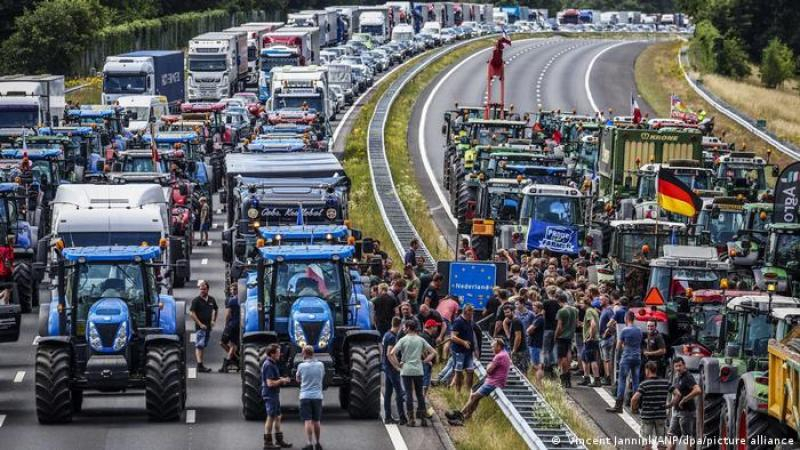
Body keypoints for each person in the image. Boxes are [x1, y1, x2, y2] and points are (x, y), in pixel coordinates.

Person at [445, 338, 511, 425]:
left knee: (474, 396)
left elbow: (489, 370)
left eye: (493, 346)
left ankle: (459, 415)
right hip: (491, 379)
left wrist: (489, 365)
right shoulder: (504, 353)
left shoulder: (499, 356)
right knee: (474, 392)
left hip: (494, 382)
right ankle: (467, 416)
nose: (492, 349)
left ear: (499, 346)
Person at [390, 319, 436, 427]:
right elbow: (433, 352)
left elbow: (392, 353)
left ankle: (411, 420)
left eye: (405, 327)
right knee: (420, 394)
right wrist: (425, 360)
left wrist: (398, 365)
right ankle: (423, 418)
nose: (404, 329)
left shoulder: (403, 340)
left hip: (406, 370)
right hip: (418, 370)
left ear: (409, 328)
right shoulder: (420, 340)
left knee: (409, 394)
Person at [608, 311, 643, 413]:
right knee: (636, 381)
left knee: (622, 379)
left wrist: (619, 356)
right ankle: (635, 406)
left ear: (626, 318)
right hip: (637, 357)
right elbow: (637, 344)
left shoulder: (624, 331)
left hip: (627, 357)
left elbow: (619, 346)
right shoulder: (639, 330)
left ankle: (618, 405)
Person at [632, 361, 670, 450]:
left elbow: (634, 398)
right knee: (661, 443)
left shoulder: (644, 384)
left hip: (647, 416)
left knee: (647, 444)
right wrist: (670, 405)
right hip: (660, 416)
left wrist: (634, 408)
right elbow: (677, 394)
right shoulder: (665, 382)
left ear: (647, 370)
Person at [667, 357, 702, 450]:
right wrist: (669, 405)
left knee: (687, 438)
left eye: (680, 365)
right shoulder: (676, 377)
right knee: (671, 436)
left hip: (687, 412)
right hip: (676, 412)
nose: (678, 368)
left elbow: (698, 390)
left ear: (684, 365)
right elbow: (676, 395)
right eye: (676, 366)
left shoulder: (688, 376)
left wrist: (684, 399)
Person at [262, 344, 292, 450]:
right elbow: (269, 383)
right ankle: (268, 443)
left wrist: (282, 379)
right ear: (272, 354)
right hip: (270, 394)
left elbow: (273, 378)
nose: (280, 354)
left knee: (278, 416)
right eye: (278, 352)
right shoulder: (269, 365)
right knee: (270, 417)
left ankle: (279, 440)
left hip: (274, 394)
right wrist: (282, 380)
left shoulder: (272, 363)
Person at [296, 345, 325, 450]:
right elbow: (322, 376)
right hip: (317, 396)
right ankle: (318, 443)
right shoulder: (321, 365)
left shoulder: (301, 366)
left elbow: (298, 379)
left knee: (308, 420)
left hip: (305, 396)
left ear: (304, 354)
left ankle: (309, 443)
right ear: (313, 353)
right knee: (316, 421)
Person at [382, 317, 407, 425]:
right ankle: (402, 417)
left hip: (386, 367)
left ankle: (388, 417)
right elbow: (389, 354)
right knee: (400, 393)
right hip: (391, 368)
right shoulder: (392, 337)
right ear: (400, 325)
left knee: (388, 393)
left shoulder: (386, 334)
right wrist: (397, 366)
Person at [189, 280, 218, 373]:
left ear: (207, 289)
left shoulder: (211, 300)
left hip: (208, 327)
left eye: (204, 289)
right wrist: (200, 324)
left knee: (204, 344)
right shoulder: (196, 300)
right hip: (200, 327)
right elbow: (192, 313)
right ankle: (199, 365)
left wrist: (213, 320)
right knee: (200, 345)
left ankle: (201, 364)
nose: (202, 291)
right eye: (201, 289)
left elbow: (215, 309)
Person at [555, 291, 578, 388]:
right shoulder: (575, 310)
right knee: (568, 354)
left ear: (559, 301)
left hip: (562, 336)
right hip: (570, 335)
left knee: (562, 356)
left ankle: (563, 375)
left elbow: (559, 326)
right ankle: (568, 375)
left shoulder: (561, 311)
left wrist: (556, 335)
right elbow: (576, 323)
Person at [451, 304, 476, 393]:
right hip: (459, 351)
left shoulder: (470, 321)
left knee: (470, 371)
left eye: (472, 313)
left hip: (469, 352)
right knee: (459, 372)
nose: (472, 315)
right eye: (470, 313)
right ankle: (457, 393)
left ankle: (468, 392)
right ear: (466, 312)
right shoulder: (458, 321)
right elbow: (453, 337)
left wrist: (475, 348)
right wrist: (463, 342)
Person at [579, 297, 601, 387]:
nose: (580, 305)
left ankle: (597, 380)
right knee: (584, 357)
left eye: (581, 303)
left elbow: (593, 324)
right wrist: (583, 325)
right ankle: (586, 377)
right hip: (590, 338)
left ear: (586, 304)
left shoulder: (588, 311)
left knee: (592, 359)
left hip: (591, 339)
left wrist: (591, 336)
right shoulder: (593, 310)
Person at [219, 283, 241, 372]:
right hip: (238, 324)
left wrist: (226, 324)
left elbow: (228, 314)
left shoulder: (232, 300)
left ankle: (229, 360)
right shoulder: (242, 299)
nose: (232, 291)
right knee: (233, 344)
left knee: (222, 342)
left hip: (232, 324)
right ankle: (235, 358)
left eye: (234, 289)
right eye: (231, 290)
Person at [502, 304, 529, 373]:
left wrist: (514, 350)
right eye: (505, 313)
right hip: (518, 350)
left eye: (508, 312)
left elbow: (518, 337)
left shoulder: (516, 321)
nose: (506, 314)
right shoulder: (513, 320)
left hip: (520, 350)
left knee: (521, 372)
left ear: (513, 311)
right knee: (517, 370)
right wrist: (508, 335)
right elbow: (504, 322)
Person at [527, 301, 545, 381]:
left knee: (537, 365)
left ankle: (539, 383)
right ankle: (536, 381)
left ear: (539, 308)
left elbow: (529, 330)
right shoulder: (537, 317)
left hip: (536, 344)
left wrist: (529, 330)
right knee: (535, 364)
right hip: (534, 343)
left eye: (534, 307)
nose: (533, 308)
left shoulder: (540, 318)